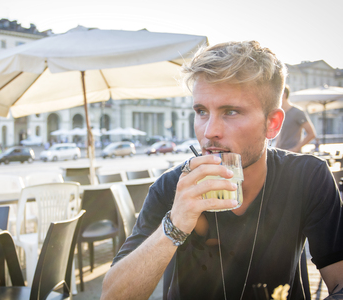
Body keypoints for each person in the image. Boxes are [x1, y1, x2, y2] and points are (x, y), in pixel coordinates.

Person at [101, 41, 343, 300]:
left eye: (230, 112)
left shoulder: (307, 177)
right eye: (201, 111)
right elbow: (112, 296)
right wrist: (176, 223)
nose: (209, 131)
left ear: (272, 124)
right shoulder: (172, 187)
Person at [275, 85, 317, 152]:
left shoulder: (297, 112)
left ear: (283, 95)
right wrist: (276, 148)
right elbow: (280, 135)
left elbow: (311, 134)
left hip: (292, 155)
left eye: (275, 94)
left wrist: (296, 149)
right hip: (280, 153)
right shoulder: (279, 113)